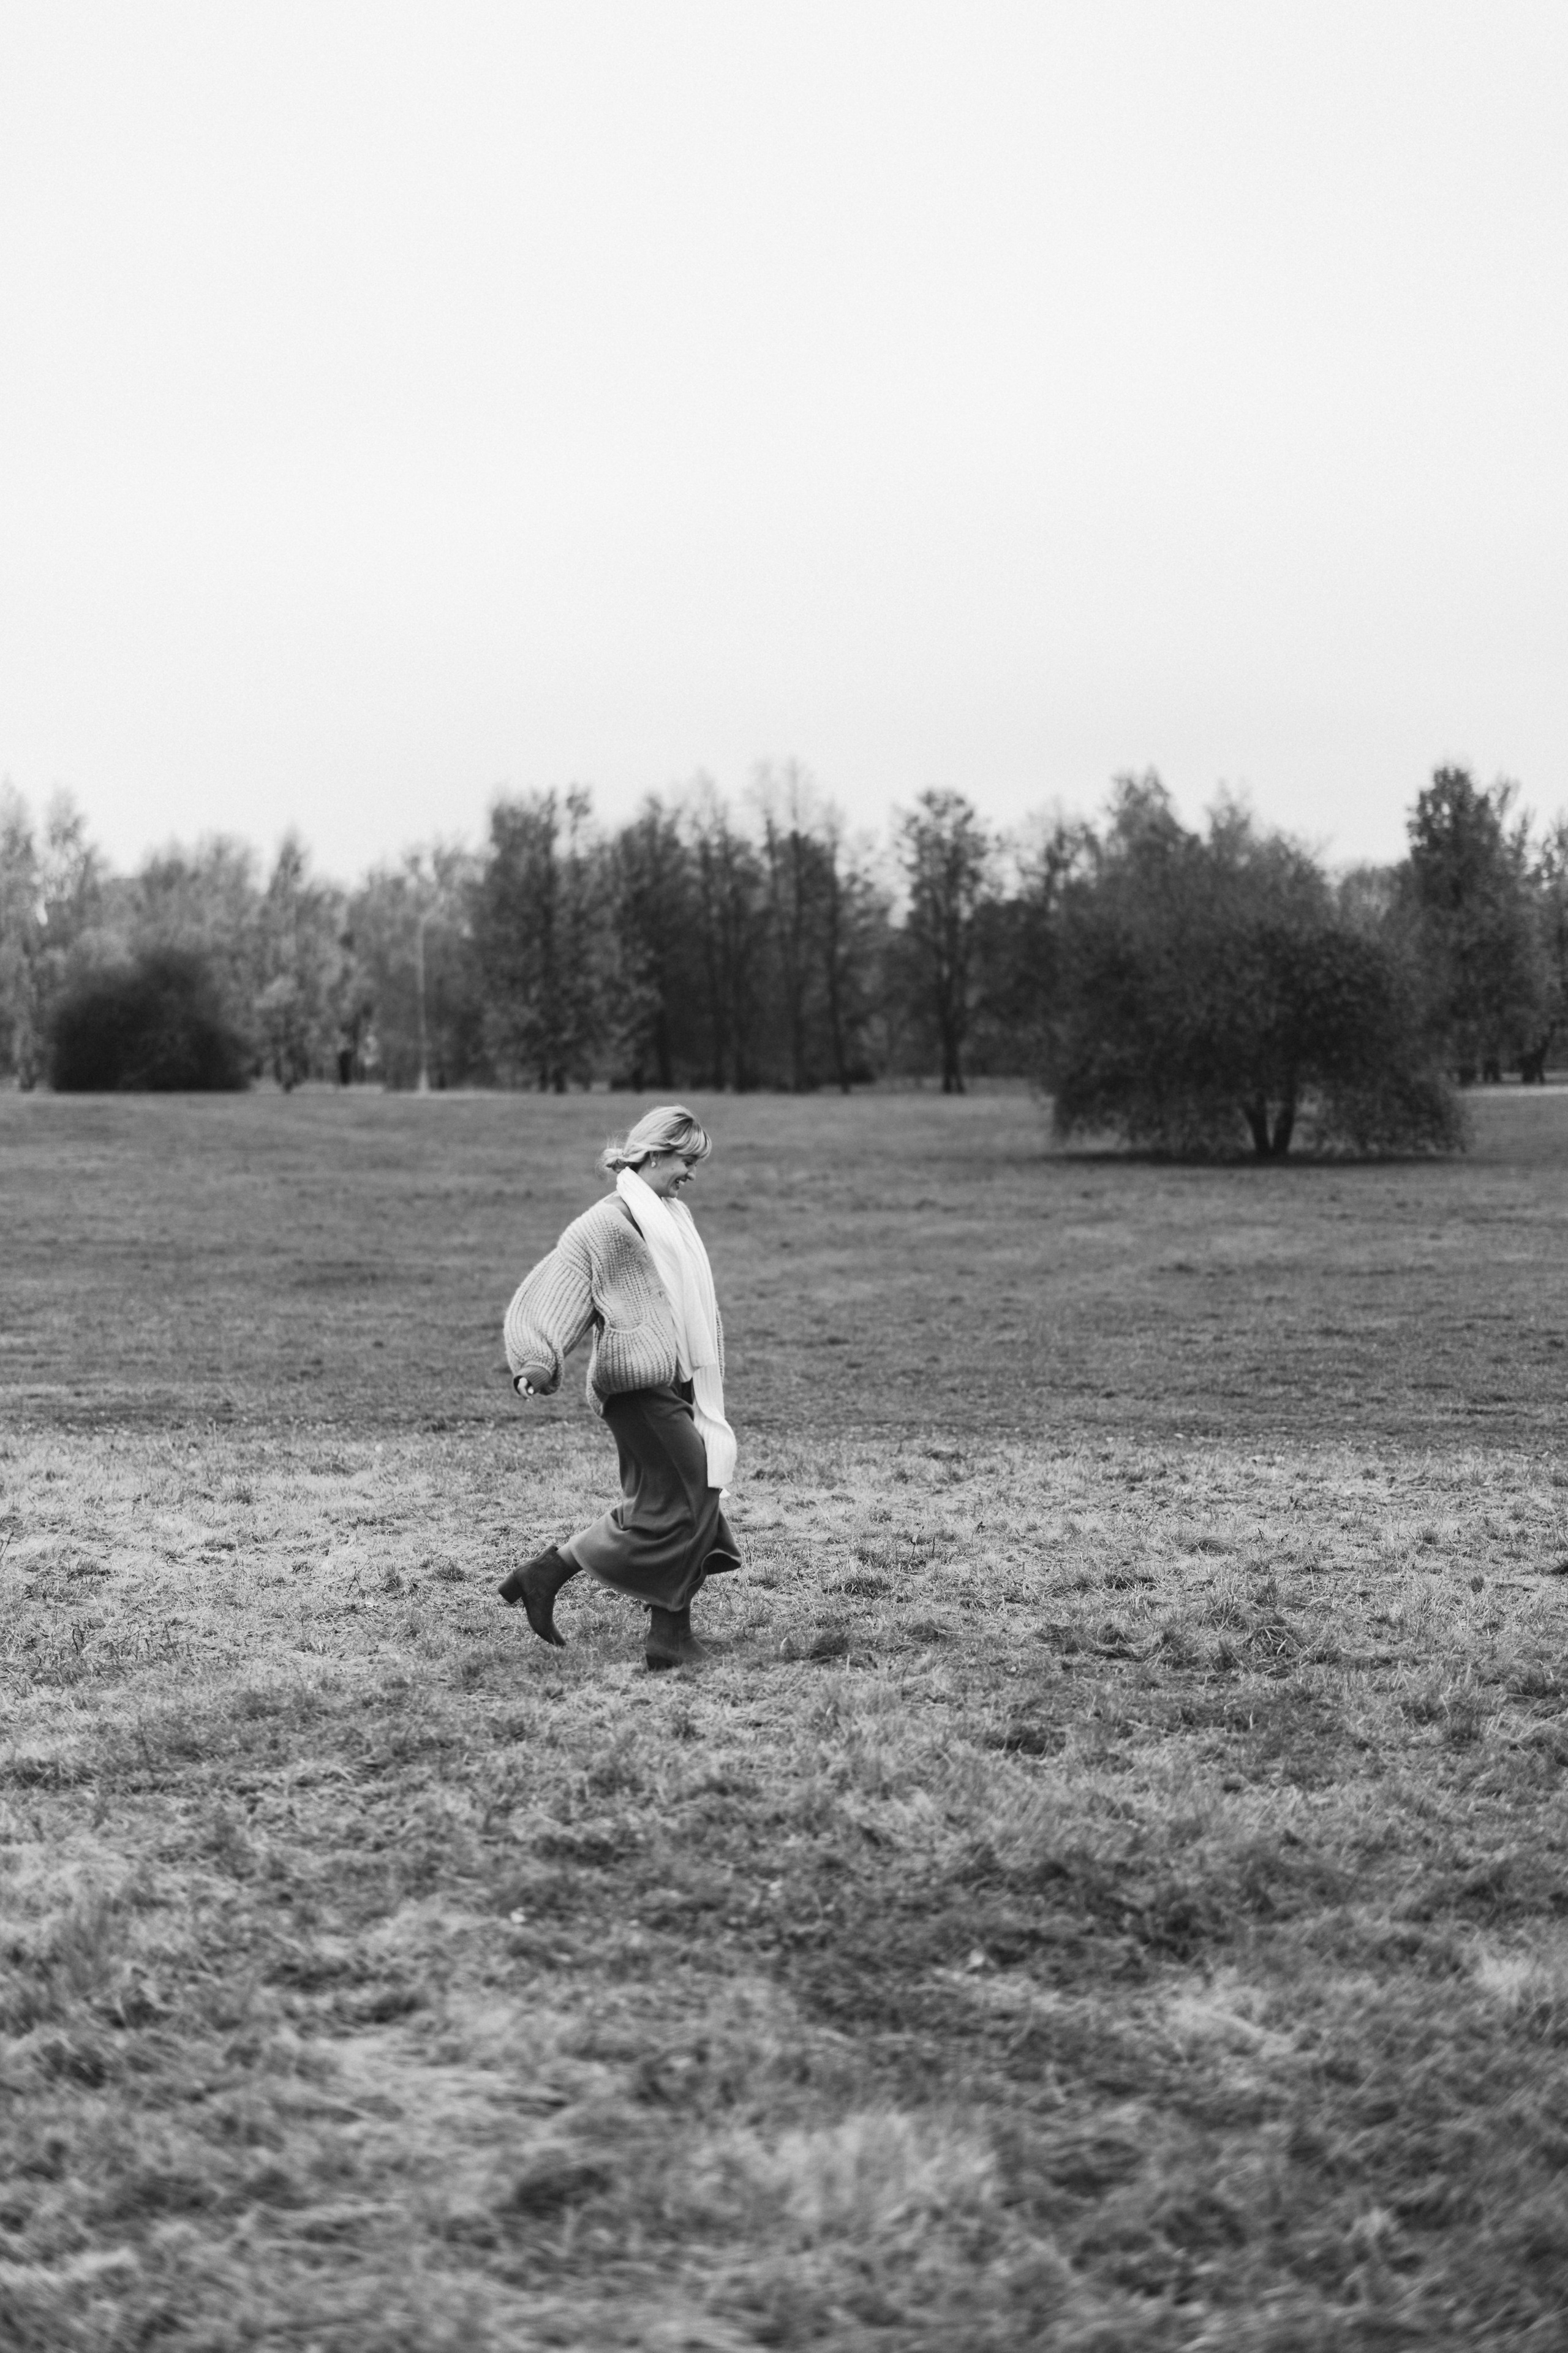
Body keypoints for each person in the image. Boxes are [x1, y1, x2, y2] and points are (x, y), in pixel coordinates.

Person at [499, 1105, 740, 1669]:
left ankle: (547, 1574)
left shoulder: (671, 1216)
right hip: (637, 1390)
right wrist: (537, 1358)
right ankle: (668, 1637)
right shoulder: (605, 1224)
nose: (692, 1174)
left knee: (672, 1502)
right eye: (686, 1159)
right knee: (692, 1495)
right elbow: (559, 1287)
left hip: (678, 1383)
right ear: (655, 1152)